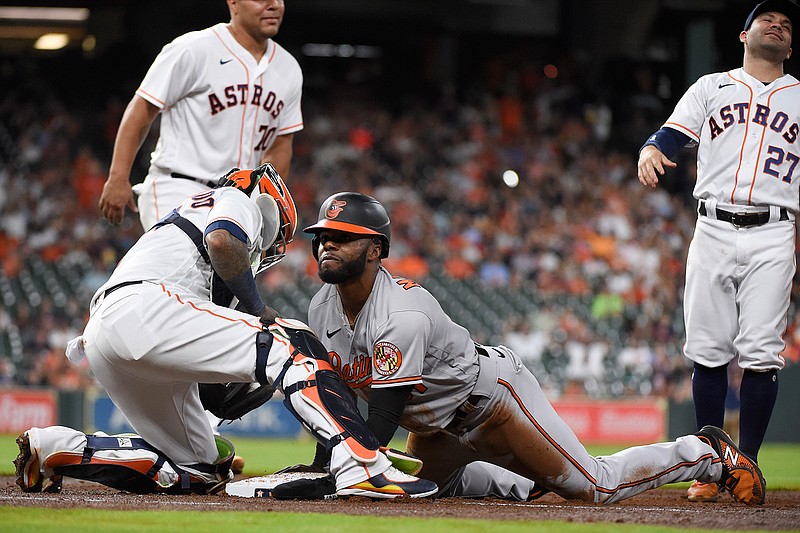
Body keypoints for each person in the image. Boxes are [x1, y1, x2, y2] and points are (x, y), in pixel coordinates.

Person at [293, 191, 766, 505]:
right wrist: (321, 463)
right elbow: (337, 398)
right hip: (437, 429)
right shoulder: (321, 306)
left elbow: (377, 428)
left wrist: (332, 477)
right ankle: (530, 483)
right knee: (424, 490)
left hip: (494, 401)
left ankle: (703, 452)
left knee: (594, 488)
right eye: (322, 238)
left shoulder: (401, 315)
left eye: (343, 238)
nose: (326, 246)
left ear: (375, 250)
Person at [13, 166, 437, 499]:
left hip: (108, 335)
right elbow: (222, 241)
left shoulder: (185, 220)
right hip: (145, 308)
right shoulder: (239, 198)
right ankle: (362, 465)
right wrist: (259, 310)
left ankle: (58, 446)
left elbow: (214, 389)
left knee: (203, 469)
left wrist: (252, 377)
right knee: (293, 340)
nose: (271, 249)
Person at [637, 0, 799, 503]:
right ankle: (711, 467)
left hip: (774, 231)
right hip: (711, 226)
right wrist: (650, 149)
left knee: (761, 351)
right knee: (706, 348)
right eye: (767, 18)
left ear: (790, 46)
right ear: (743, 34)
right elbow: (670, 134)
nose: (776, 23)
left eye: (786, 23)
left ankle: (745, 463)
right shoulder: (711, 86)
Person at [100, 0, 303, 230]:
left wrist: (271, 204)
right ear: (234, 3)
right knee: (178, 263)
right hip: (179, 188)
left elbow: (281, 144)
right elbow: (142, 110)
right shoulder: (194, 48)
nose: (274, 5)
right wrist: (118, 176)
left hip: (238, 201)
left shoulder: (289, 68)